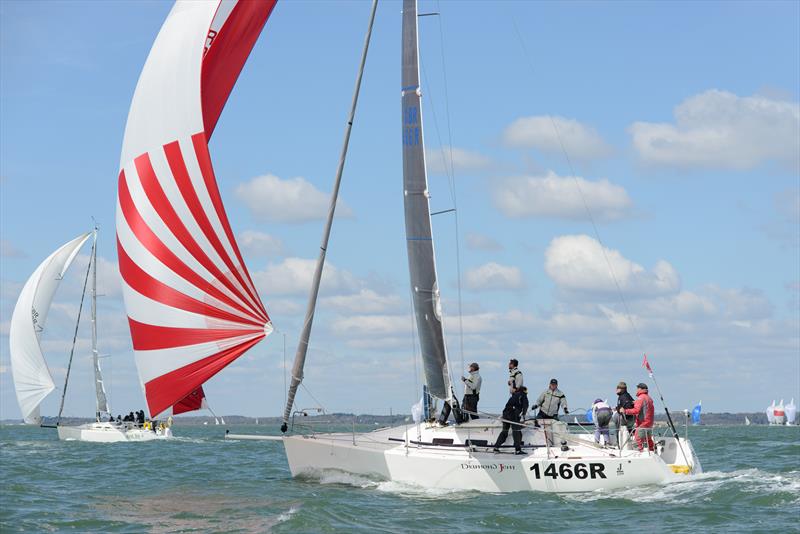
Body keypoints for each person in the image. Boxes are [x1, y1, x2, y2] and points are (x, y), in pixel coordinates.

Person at [620, 382, 655, 451]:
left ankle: (639, 454)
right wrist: (635, 402)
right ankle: (652, 452)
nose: (636, 390)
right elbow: (645, 407)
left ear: (640, 389)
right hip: (649, 423)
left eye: (637, 388)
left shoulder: (641, 398)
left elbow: (636, 410)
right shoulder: (649, 398)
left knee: (637, 440)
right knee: (648, 440)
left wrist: (625, 411)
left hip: (643, 423)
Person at [493, 386, 529, 454]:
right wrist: (523, 416)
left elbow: (507, 405)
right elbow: (525, 406)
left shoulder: (514, 395)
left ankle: (496, 447)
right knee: (516, 431)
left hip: (505, 414)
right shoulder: (523, 396)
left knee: (504, 431)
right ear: (524, 391)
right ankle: (518, 450)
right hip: (514, 415)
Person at [614, 381, 636, 445]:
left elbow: (628, 407)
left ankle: (620, 444)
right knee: (628, 431)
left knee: (620, 430)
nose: (616, 389)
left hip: (626, 419)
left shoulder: (623, 397)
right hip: (629, 419)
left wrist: (620, 409)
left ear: (622, 389)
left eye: (618, 388)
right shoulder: (626, 395)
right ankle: (627, 443)